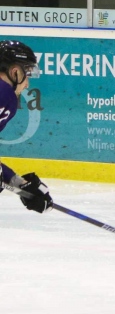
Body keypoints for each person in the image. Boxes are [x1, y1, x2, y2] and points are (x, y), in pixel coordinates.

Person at [0, 40, 53, 213]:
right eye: (27, 73)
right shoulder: (5, 94)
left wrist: (20, 184)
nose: (27, 83)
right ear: (15, 71)